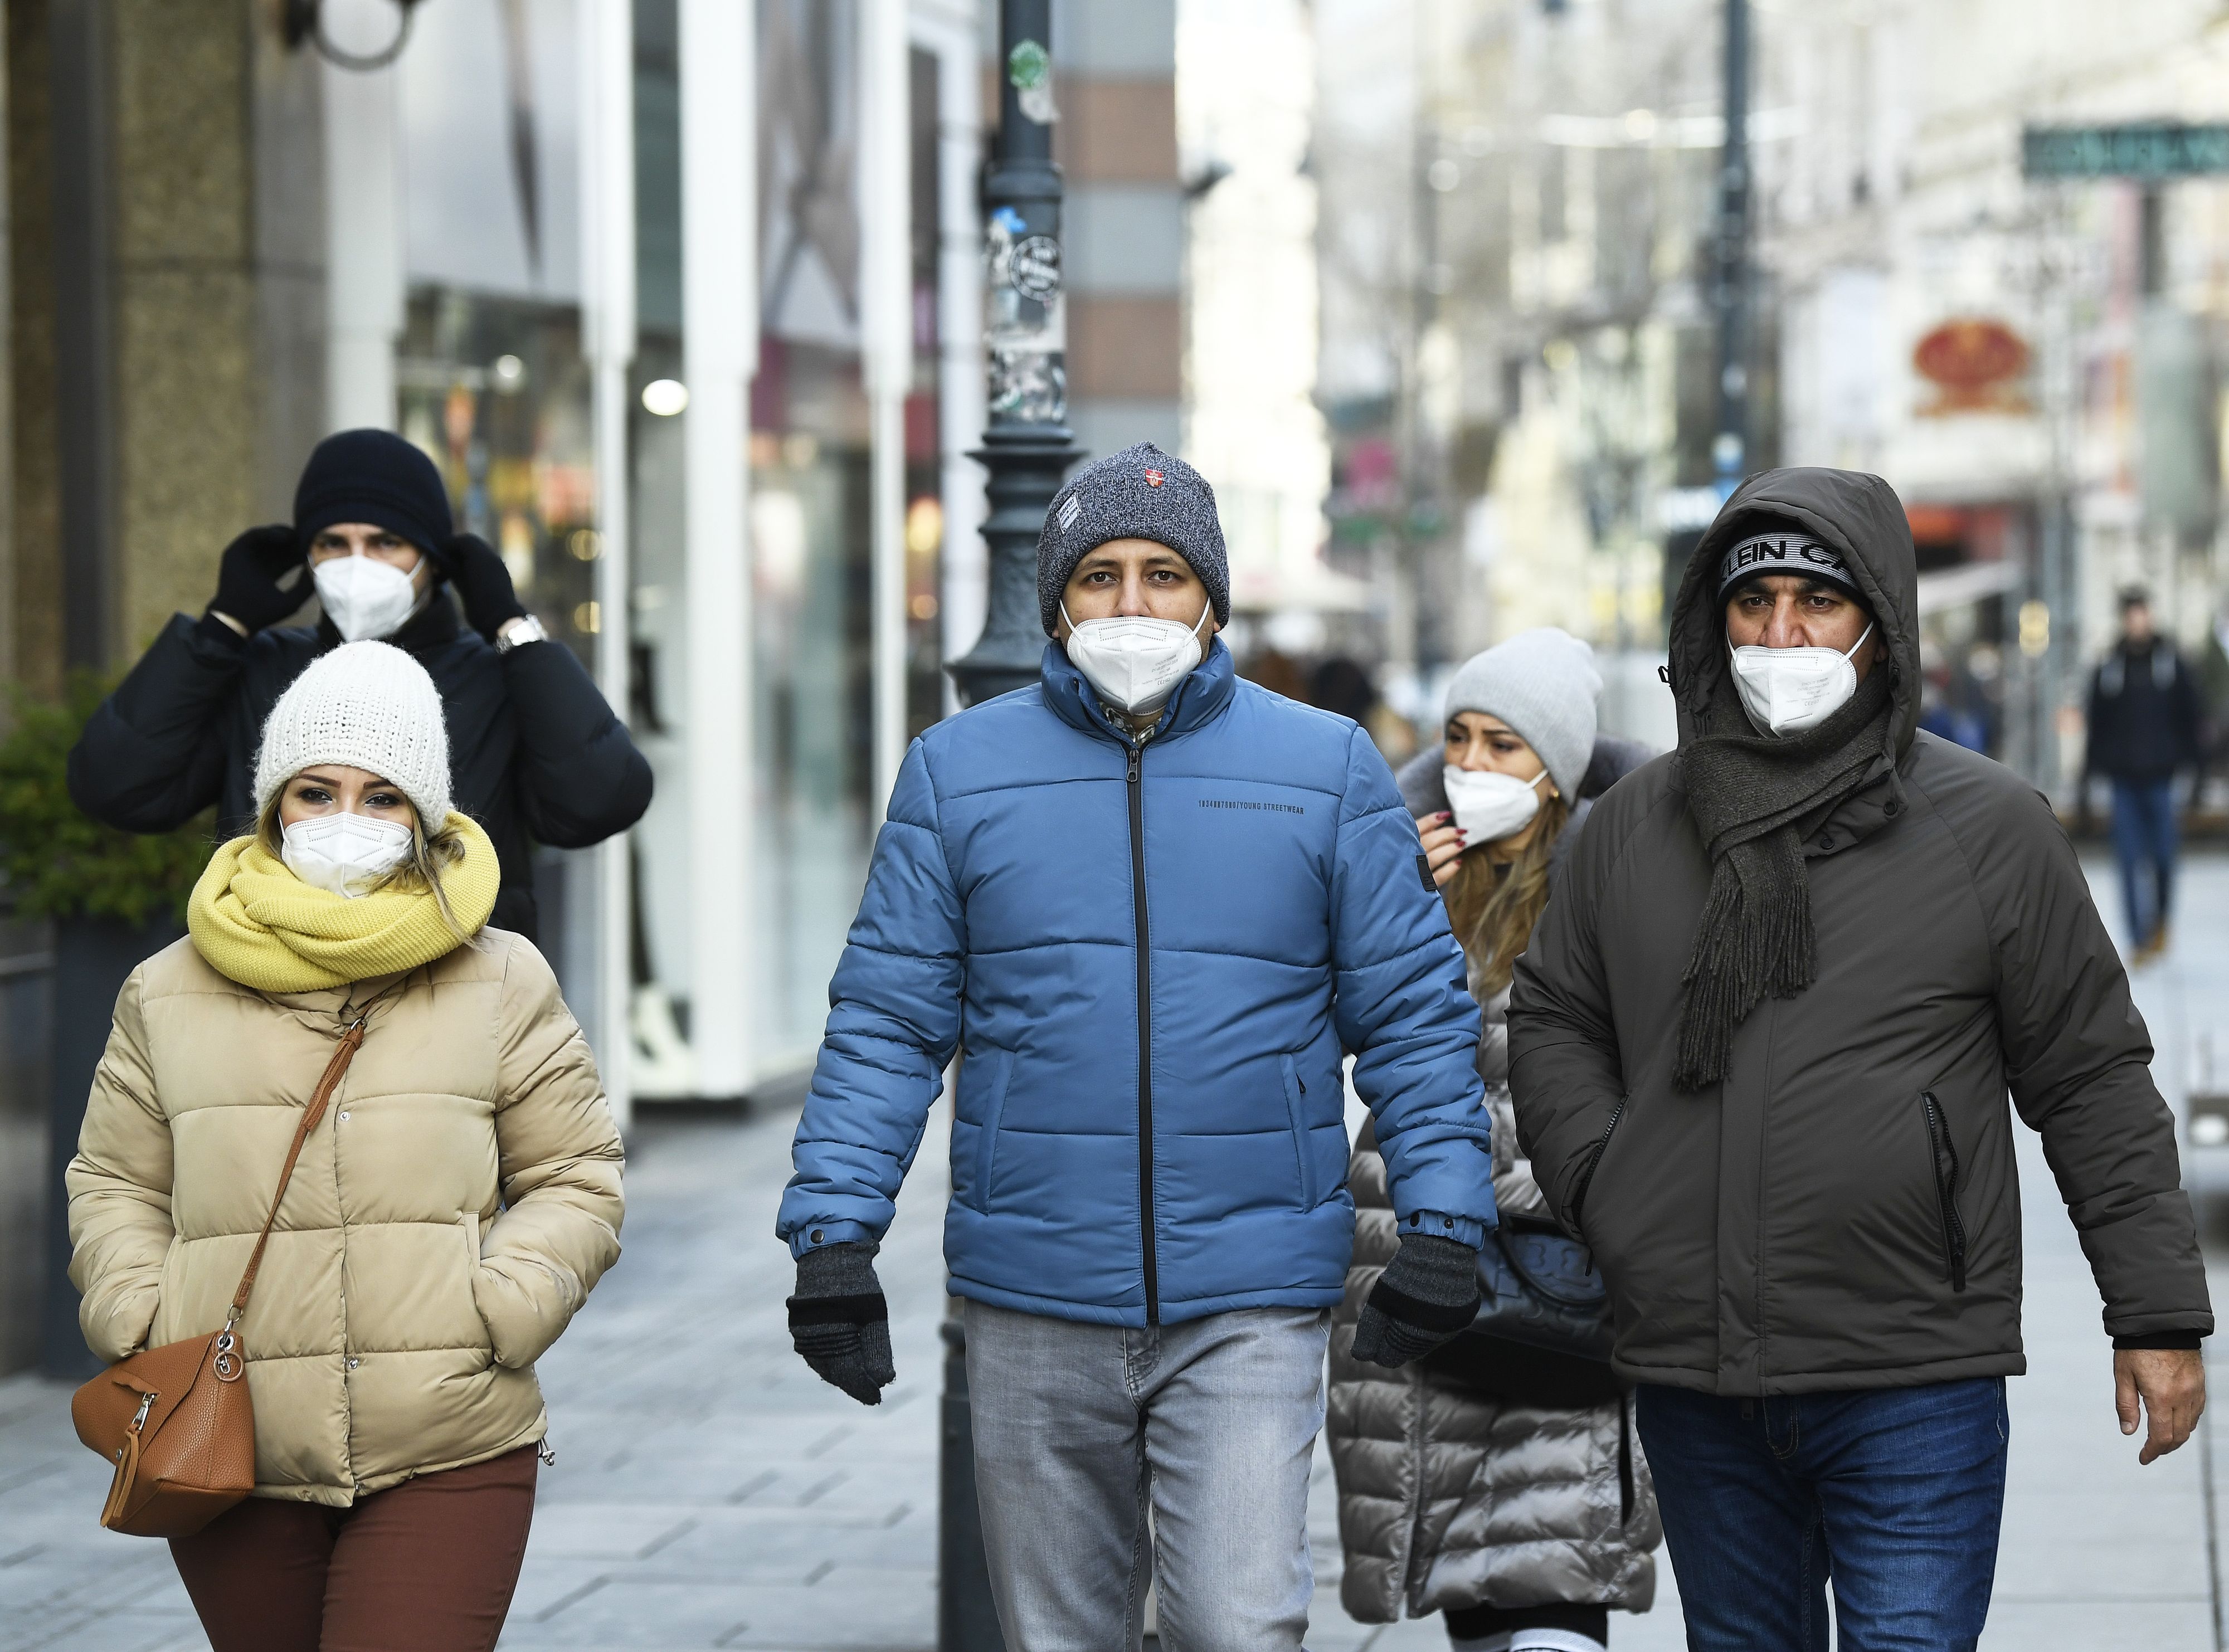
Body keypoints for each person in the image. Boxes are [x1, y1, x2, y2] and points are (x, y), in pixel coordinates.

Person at [777, 442, 1497, 1652]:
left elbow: (1414, 1012)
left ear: (1208, 595)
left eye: (1161, 575)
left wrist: (1442, 1221)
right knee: (1061, 1635)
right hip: (1030, 1292)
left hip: (1250, 1292)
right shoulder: (958, 772)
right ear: (1055, 596)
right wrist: (834, 1237)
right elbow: (890, 1020)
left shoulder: (1324, 770)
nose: (1129, 605)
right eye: (1098, 575)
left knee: (1236, 1622)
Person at [1507, 469, 2212, 1651]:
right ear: (1711, 619)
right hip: (1696, 1369)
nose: (1780, 636)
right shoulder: (1630, 827)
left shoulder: (1987, 828)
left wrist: (2152, 1312)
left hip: (1910, 1369)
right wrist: (1605, 1184)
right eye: (1754, 603)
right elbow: (1554, 1016)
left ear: (1879, 626)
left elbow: (2087, 1074)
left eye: (1816, 605)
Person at [66, 641, 626, 1652]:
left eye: (382, 798)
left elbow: (576, 1173)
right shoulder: (165, 986)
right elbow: (113, 1181)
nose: (344, 822)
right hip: (229, 1439)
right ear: (273, 805)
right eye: (315, 792)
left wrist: (502, 1308)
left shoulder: (502, 977)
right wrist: (141, 1313)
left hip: (448, 1438)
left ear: (428, 815)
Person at [1330, 630, 1660, 1652]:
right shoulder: (1425, 880)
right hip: (1427, 1298)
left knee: (1555, 1580)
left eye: (1505, 747)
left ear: (1557, 772)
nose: (1473, 767)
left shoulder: (1620, 894)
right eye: (1461, 740)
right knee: (1475, 1601)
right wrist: (1395, 910)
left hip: (1556, 1296)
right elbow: (1332, 1037)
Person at [67, 427, 651, 940]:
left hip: (456, 987)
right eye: (332, 544)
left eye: (384, 543)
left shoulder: (496, 676)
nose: (356, 564)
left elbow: (599, 799)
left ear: (432, 559)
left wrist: (514, 631)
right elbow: (118, 787)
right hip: (270, 984)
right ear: (308, 555)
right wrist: (223, 627)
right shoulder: (264, 668)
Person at [2084, 586, 2203, 960]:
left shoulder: (2171, 663)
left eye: (2143, 612)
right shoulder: (2109, 667)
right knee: (2129, 861)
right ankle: (2138, 939)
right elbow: (2096, 726)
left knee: (2165, 858)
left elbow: (2192, 719)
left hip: (2161, 778)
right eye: (2132, 613)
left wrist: (2196, 772)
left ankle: (2161, 921)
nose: (2138, 620)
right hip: (2123, 780)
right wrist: (2087, 781)